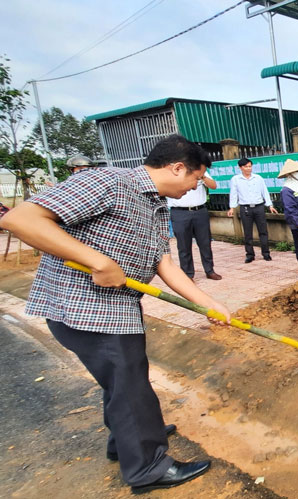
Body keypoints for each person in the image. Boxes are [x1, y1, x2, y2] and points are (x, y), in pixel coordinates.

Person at [0, 134, 231, 493]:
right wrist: (98, 261)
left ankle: (127, 437)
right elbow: (21, 219)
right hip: (86, 310)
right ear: (178, 167)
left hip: (117, 310)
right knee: (129, 384)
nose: (195, 187)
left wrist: (208, 303)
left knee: (123, 382)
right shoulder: (108, 182)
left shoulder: (155, 206)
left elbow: (163, 262)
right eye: (196, 179)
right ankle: (148, 467)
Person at [168, 168, 221, 280]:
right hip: (179, 212)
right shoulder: (172, 171)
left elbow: (213, 186)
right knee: (183, 245)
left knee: (205, 243)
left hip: (200, 211)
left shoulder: (199, 170)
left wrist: (202, 177)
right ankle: (187, 274)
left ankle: (210, 270)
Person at [227, 158, 277, 263]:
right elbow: (233, 194)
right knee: (247, 232)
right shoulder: (236, 179)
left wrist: (270, 205)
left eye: (250, 166)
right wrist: (232, 207)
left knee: (263, 231)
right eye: (246, 166)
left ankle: (266, 253)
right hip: (245, 208)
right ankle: (250, 254)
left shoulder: (258, 178)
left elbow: (265, 192)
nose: (248, 168)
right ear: (240, 168)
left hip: (259, 207)